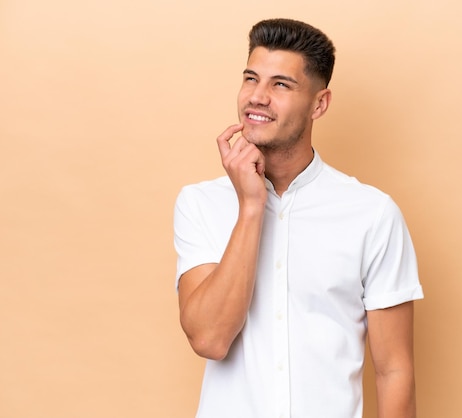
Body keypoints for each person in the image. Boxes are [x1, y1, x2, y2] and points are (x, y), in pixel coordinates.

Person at [173, 18, 424, 418]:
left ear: (319, 104)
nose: (257, 97)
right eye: (251, 78)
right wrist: (252, 207)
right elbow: (209, 339)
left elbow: (394, 370)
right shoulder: (200, 203)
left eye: (280, 85)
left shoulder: (372, 214)